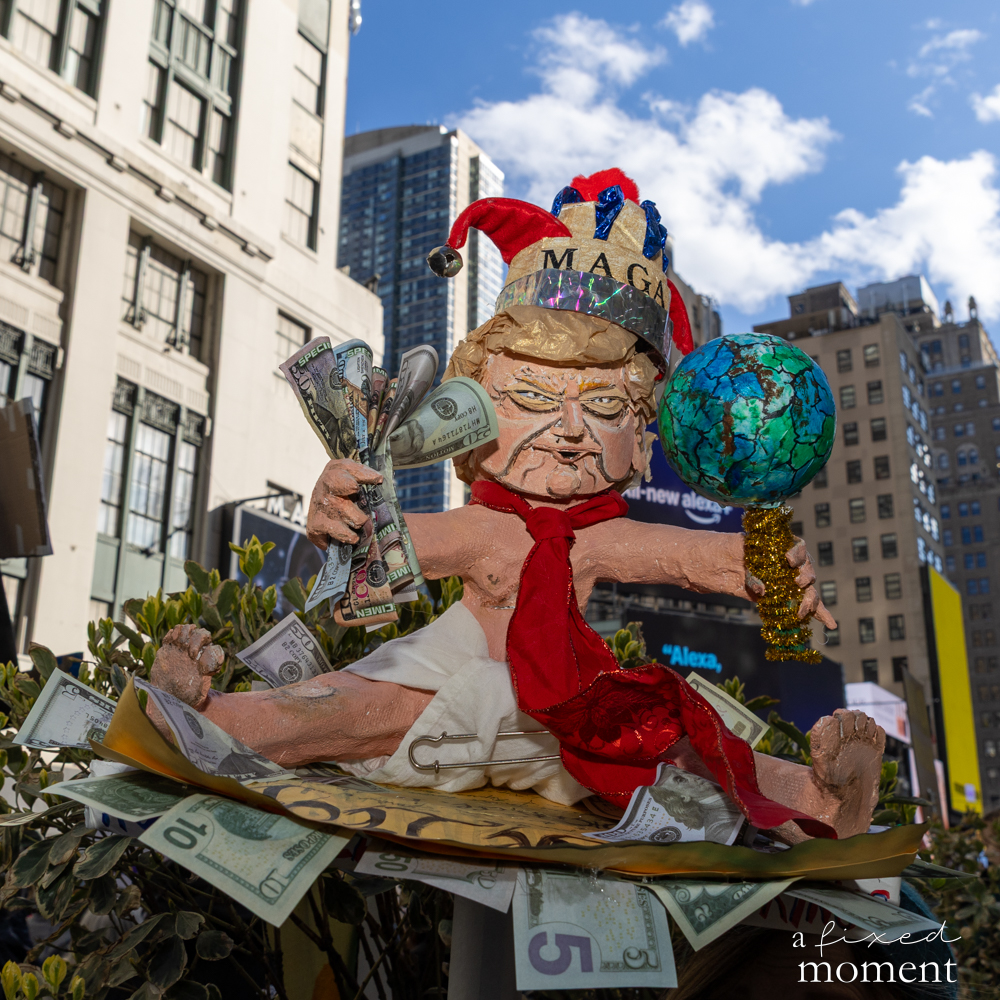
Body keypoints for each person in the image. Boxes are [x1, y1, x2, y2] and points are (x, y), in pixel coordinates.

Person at [150, 170, 884, 844]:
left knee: (680, 745)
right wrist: (340, 515)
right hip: (448, 684)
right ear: (469, 414)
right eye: (532, 396)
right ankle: (207, 721)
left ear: (641, 439)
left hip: (566, 717)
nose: (569, 429)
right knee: (355, 706)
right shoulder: (486, 530)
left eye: (604, 406)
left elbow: (692, 558)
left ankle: (818, 801)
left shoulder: (597, 536)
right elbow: (386, 545)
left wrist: (767, 567)